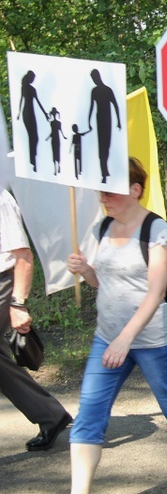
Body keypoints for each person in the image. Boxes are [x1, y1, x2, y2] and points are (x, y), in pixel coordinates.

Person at [66, 158, 167, 494]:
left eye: (109, 191)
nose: (102, 197)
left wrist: (125, 341)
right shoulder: (102, 227)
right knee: (89, 415)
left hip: (154, 339)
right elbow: (101, 282)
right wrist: (85, 271)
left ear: (135, 190)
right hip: (107, 338)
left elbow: (156, 292)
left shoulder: (156, 230)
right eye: (101, 190)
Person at [0, 189, 73, 452]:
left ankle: (50, 415)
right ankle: (50, 415)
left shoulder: (2, 200)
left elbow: (23, 256)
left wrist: (17, 303)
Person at [16, 70, 47, 172]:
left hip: (30, 113)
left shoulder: (31, 89)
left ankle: (33, 158)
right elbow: (21, 99)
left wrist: (45, 114)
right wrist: (19, 113)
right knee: (32, 136)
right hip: (27, 113)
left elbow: (38, 102)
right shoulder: (25, 87)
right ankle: (32, 160)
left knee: (35, 137)